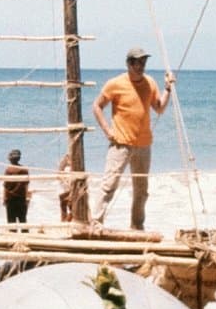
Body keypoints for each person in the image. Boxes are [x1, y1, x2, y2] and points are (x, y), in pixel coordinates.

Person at [92, 46, 175, 230]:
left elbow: (159, 108)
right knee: (109, 184)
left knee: (141, 191)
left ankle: (137, 227)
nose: (141, 66)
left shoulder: (150, 83)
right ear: (129, 64)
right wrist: (107, 131)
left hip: (144, 145)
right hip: (121, 144)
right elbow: (97, 106)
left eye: (143, 62)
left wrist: (168, 89)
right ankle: (96, 223)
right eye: (137, 62)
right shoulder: (115, 83)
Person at [3, 149, 29, 227]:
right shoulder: (24, 169)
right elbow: (26, 185)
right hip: (21, 197)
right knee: (23, 219)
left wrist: (4, 198)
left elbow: (6, 186)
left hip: (10, 198)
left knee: (11, 220)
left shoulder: (8, 170)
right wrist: (27, 197)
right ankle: (24, 233)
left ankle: (13, 232)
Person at [57, 153, 74, 222]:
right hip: (67, 191)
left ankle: (65, 221)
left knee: (64, 211)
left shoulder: (62, 169)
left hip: (62, 191)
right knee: (72, 209)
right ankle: (67, 221)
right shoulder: (68, 169)